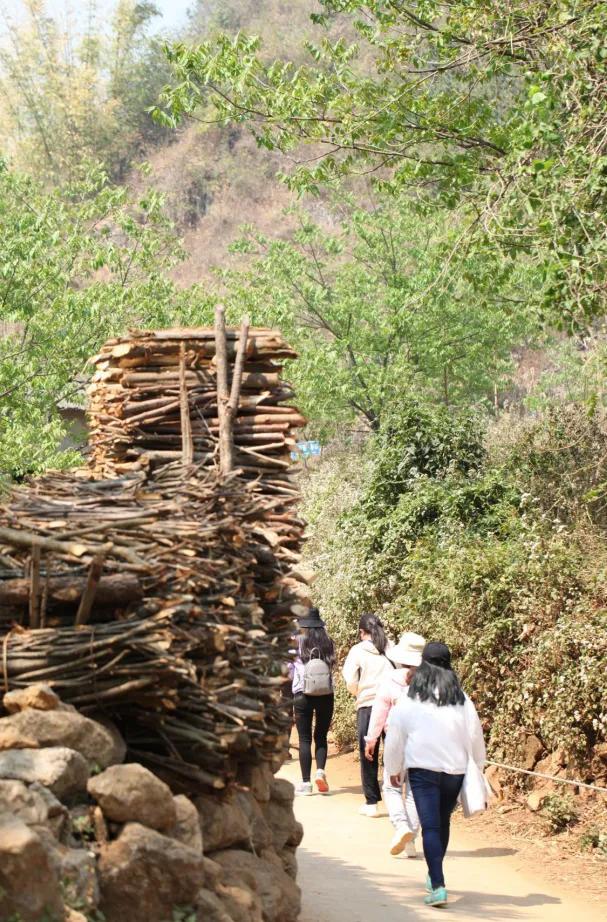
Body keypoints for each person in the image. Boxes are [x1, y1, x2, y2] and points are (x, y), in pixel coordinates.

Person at [384, 642, 486, 908]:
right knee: (443, 824)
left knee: (430, 826)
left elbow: (395, 736)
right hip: (455, 770)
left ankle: (438, 885)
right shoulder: (462, 699)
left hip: (422, 770)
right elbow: (475, 736)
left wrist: (393, 769)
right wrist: (478, 766)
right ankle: (434, 874)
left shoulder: (410, 698)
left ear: (423, 666)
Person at [364, 631, 425, 857]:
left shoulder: (392, 679)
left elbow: (379, 711)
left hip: (395, 741)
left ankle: (401, 827)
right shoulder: (433, 681)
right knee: (414, 791)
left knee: (391, 786)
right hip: (422, 743)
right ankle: (411, 841)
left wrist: (371, 739)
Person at [342, 612, 394, 816]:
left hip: (368, 705)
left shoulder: (357, 651)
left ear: (362, 632)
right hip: (391, 705)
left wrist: (359, 693)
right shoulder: (390, 647)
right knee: (392, 751)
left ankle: (371, 802)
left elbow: (350, 680)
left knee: (368, 752)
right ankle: (394, 795)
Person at [290, 607, 336, 796]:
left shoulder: (297, 642)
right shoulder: (328, 641)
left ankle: (306, 784)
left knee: (304, 739)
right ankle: (320, 771)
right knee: (321, 736)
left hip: (302, 694)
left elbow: (289, 668)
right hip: (326, 693)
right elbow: (333, 664)